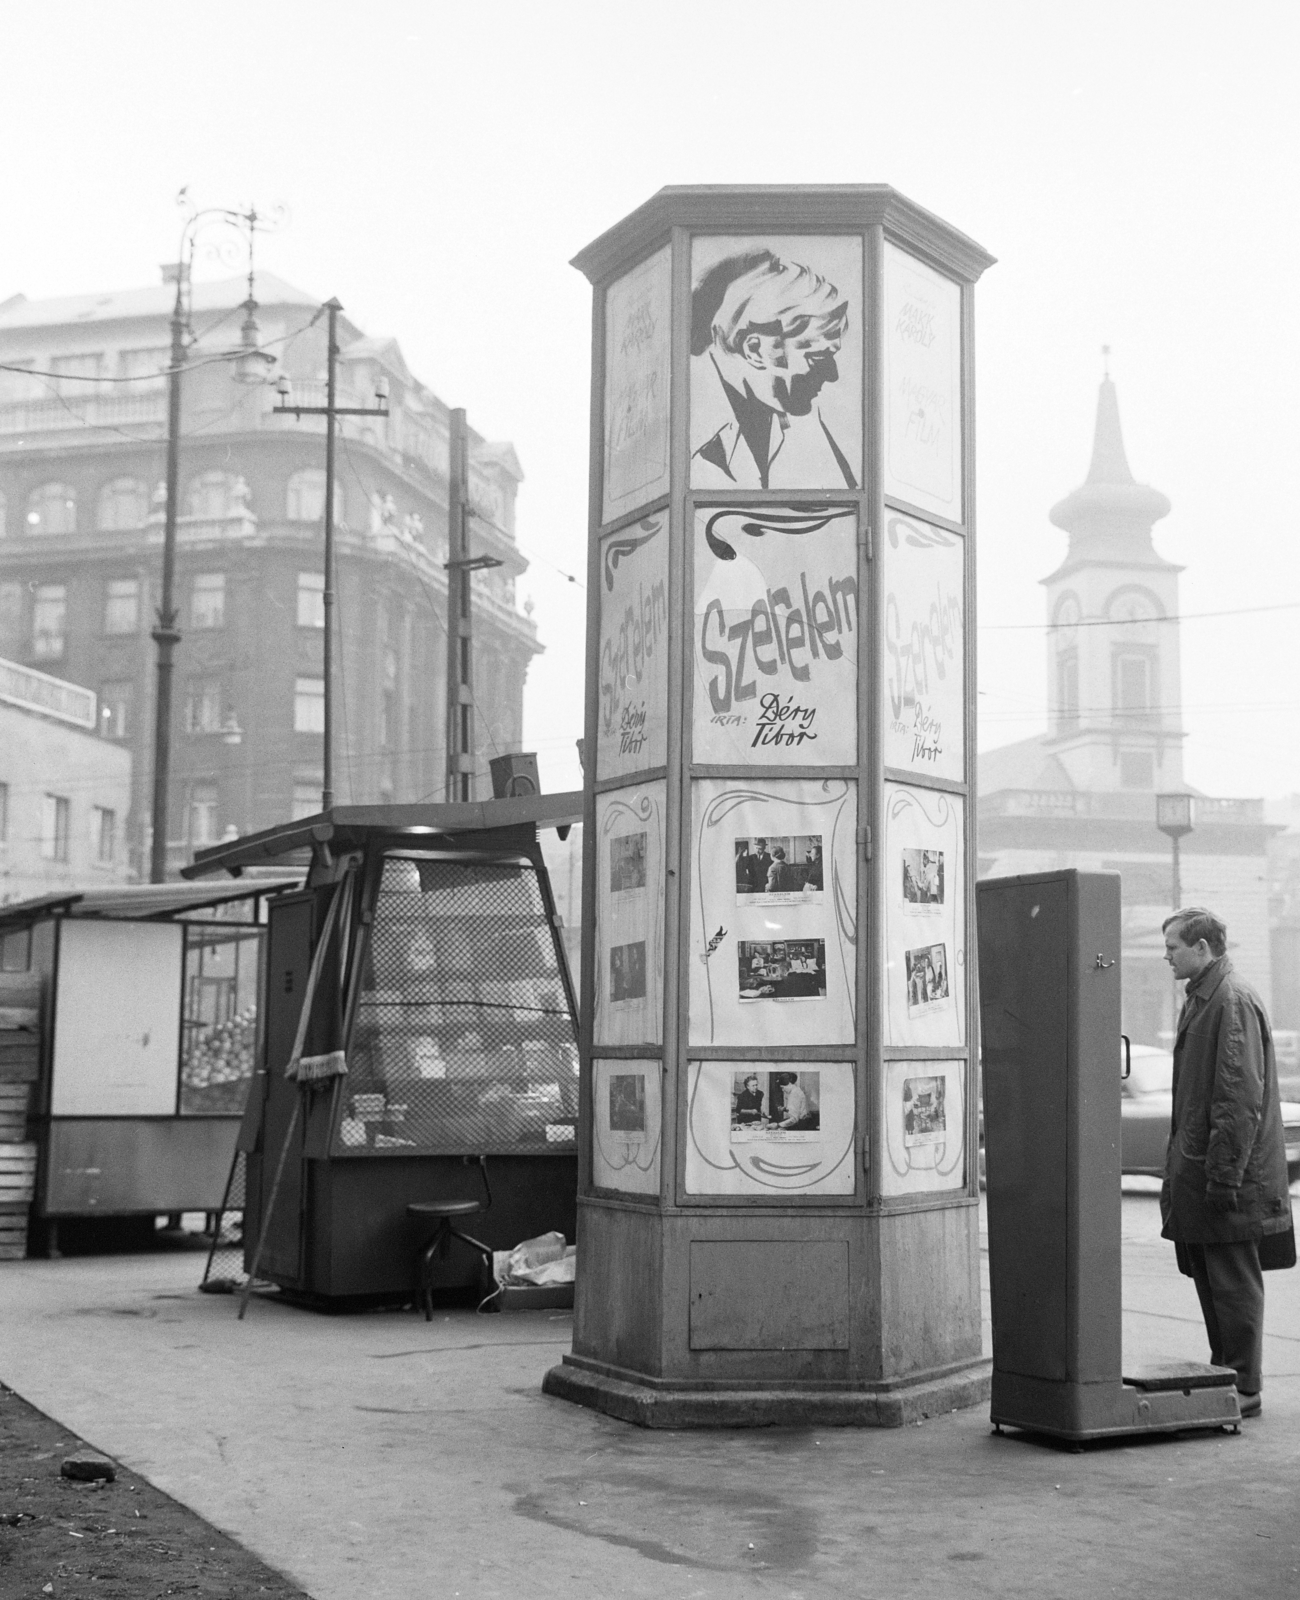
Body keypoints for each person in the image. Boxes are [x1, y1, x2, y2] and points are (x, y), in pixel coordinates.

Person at [1160, 907, 1293, 1418]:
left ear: (1202, 947)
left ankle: (1244, 1385)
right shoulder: (1207, 996)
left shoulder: (1229, 1001)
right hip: (1206, 1171)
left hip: (1228, 1180)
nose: (1166, 956)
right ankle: (1228, 1375)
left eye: (1173, 946)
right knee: (1213, 1277)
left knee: (1233, 1282)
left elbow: (1237, 1101)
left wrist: (1223, 1176)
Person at [690, 250, 856, 490]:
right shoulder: (695, 426)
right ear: (755, 350)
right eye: (817, 357)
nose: (832, 374)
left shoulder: (798, 416)